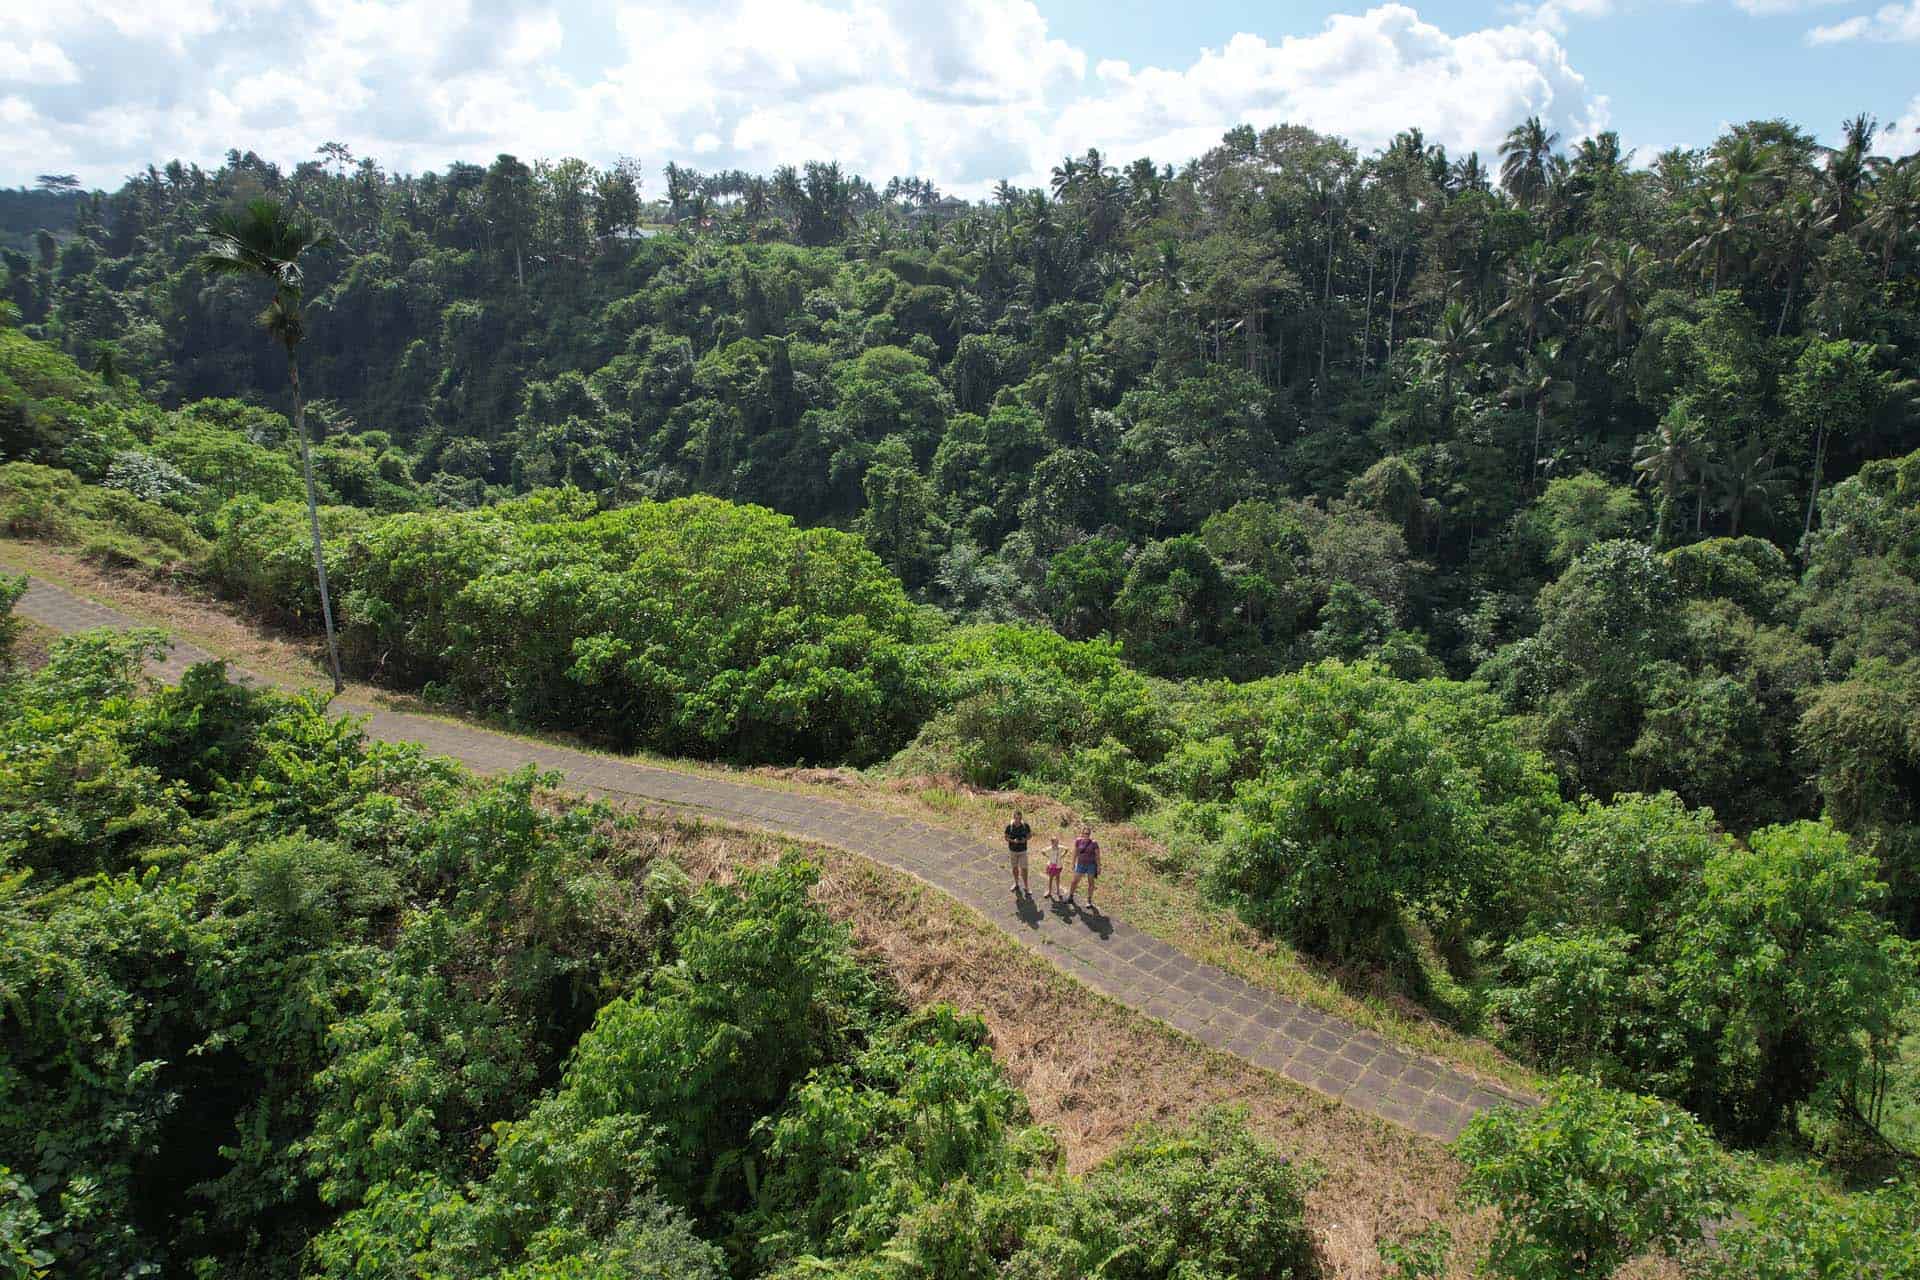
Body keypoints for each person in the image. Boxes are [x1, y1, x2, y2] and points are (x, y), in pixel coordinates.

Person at [1067, 824, 1099, 908]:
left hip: (1091, 865)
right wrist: (1073, 863)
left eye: (1088, 833)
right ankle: (1070, 896)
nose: (1086, 835)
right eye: (1085, 833)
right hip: (1080, 864)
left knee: (1091, 882)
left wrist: (1099, 866)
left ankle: (1089, 900)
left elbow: (1097, 856)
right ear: (1082, 833)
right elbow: (1075, 852)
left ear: (1090, 834)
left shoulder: (1094, 843)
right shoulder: (1078, 841)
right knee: (1074, 881)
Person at [1004, 807, 1032, 895]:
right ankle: (1016, 883)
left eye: (1019, 818)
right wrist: (1013, 841)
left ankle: (1026, 887)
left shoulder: (1025, 826)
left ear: (1021, 818)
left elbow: (1030, 835)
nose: (1017, 820)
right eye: (1016, 818)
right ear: (1013, 817)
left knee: (1024, 869)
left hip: (1023, 851)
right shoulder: (1009, 827)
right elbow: (1006, 837)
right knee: (1014, 868)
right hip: (1013, 851)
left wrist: (1025, 839)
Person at [1043, 833, 1066, 901]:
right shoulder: (1050, 848)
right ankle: (1049, 891)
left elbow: (1066, 849)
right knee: (1050, 878)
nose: (1056, 843)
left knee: (1058, 878)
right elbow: (1042, 851)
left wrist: (1062, 855)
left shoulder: (1060, 847)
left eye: (1057, 842)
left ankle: (1058, 891)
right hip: (1051, 866)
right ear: (1052, 842)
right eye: (1055, 842)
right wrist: (1047, 856)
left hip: (1058, 865)